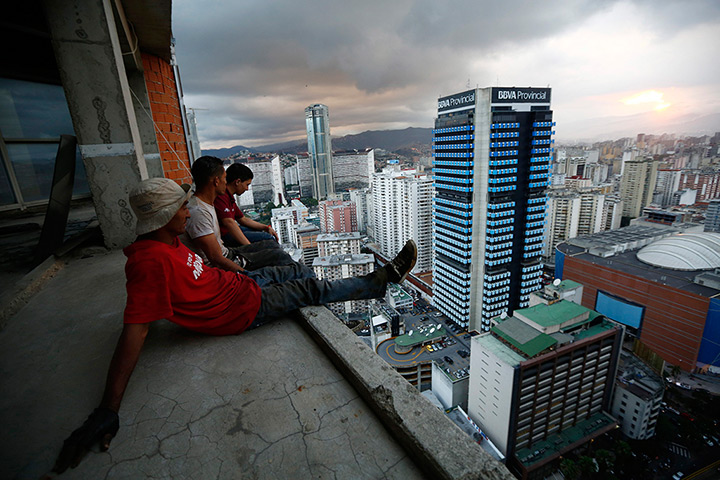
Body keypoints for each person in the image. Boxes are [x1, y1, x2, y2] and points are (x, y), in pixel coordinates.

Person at [52, 177, 417, 473]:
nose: (187, 212)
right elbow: (136, 330)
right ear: (163, 217)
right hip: (243, 309)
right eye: (181, 208)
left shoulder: (168, 242)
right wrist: (108, 408)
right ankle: (381, 281)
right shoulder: (149, 264)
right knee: (310, 286)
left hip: (242, 286)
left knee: (289, 270)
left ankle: (340, 288)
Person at [180, 156, 293, 272]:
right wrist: (246, 274)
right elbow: (216, 258)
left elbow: (242, 219)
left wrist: (265, 227)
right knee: (279, 255)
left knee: (271, 246)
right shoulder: (199, 212)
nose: (226, 182)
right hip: (227, 258)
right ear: (216, 181)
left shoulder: (209, 202)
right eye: (224, 178)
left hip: (228, 252)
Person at [215, 163, 278, 246]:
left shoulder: (229, 197)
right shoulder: (222, 196)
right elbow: (229, 223)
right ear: (237, 182)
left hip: (230, 232)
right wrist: (249, 246)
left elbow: (243, 219)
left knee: (260, 232)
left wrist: (266, 227)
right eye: (246, 184)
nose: (246, 188)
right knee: (267, 238)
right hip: (225, 236)